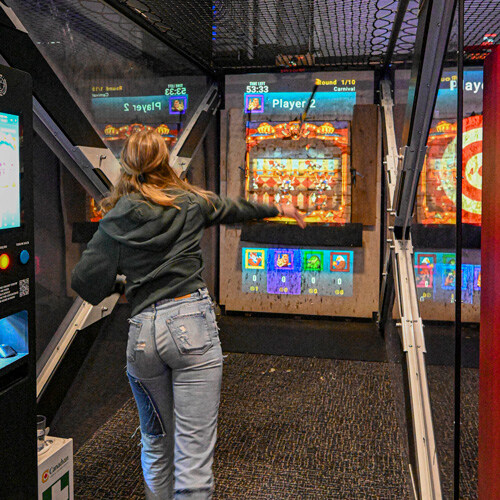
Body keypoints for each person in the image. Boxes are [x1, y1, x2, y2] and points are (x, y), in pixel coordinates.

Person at [71, 130, 306, 499]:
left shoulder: (116, 218)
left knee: (156, 444)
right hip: (191, 326)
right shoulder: (190, 203)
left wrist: (126, 284)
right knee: (193, 461)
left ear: (127, 165)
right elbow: (235, 208)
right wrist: (281, 209)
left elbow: (85, 282)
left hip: (144, 333)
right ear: (164, 161)